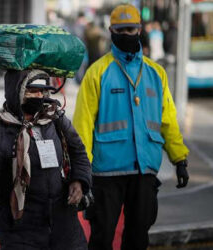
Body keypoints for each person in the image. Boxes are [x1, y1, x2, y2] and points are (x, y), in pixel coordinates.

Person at [73, 4, 189, 250]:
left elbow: (167, 119)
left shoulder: (156, 73)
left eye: (131, 29)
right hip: (105, 173)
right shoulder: (97, 73)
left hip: (144, 172)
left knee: (138, 238)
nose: (126, 34)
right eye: (121, 29)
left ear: (140, 30)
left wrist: (180, 158)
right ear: (111, 30)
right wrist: (81, 173)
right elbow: (82, 126)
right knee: (102, 238)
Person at [0, 70, 91, 250]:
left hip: (64, 223)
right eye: (32, 91)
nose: (39, 96)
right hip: (20, 228)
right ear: (16, 92)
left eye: (42, 91)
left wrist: (79, 181)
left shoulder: (54, 118)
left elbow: (78, 152)